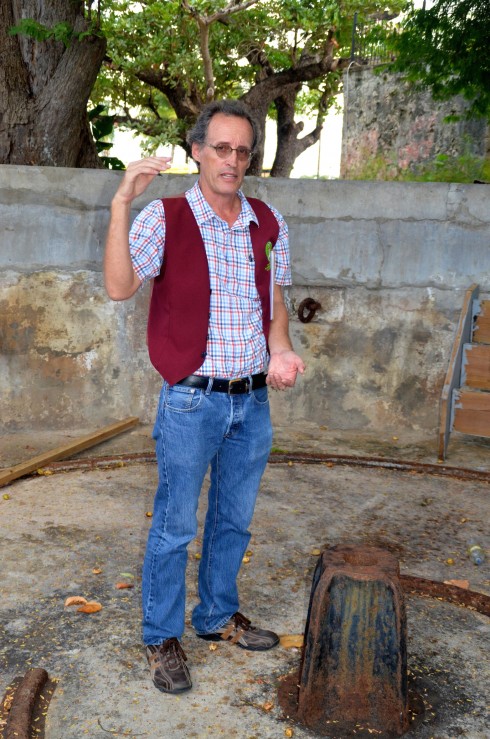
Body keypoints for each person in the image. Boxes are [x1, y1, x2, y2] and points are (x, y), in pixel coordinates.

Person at [104, 99, 305, 695]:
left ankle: (217, 617)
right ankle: (161, 636)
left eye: (243, 150)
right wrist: (122, 202)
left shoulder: (268, 222)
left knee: (234, 522)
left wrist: (282, 348)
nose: (233, 160)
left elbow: (275, 303)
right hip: (193, 400)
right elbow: (119, 287)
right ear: (197, 150)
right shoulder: (163, 217)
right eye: (221, 147)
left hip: (252, 401)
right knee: (174, 527)